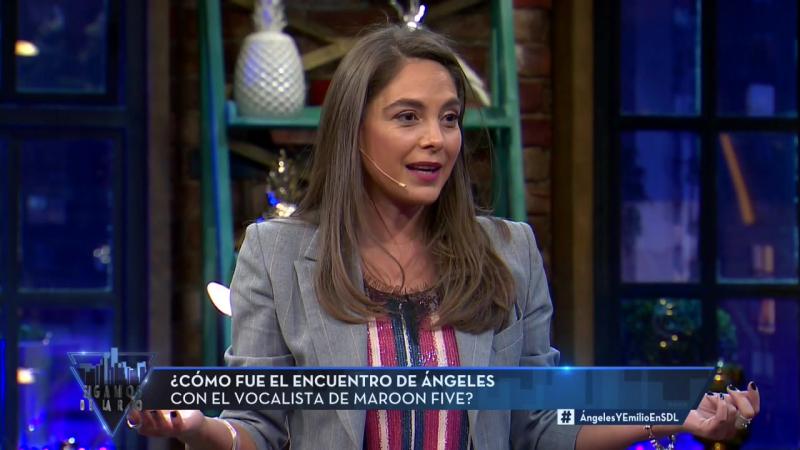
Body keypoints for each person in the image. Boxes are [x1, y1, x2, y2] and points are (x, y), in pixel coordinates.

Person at [127, 25, 760, 449]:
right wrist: (198, 428)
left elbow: (539, 426)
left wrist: (670, 416)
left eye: (449, 118)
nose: (437, 139)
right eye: (408, 117)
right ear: (354, 131)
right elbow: (256, 428)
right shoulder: (275, 254)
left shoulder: (509, 252)